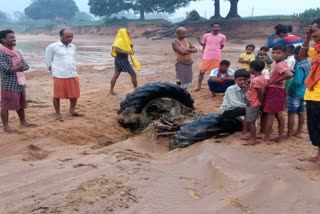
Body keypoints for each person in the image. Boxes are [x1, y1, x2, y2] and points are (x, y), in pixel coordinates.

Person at [0, 30, 36, 132]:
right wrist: (18, 67)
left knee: (21, 104)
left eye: (14, 37)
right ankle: (6, 126)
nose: (14, 39)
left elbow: (26, 66)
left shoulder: (16, 52)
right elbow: (5, 70)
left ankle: (23, 122)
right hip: (8, 84)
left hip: (20, 83)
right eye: (10, 37)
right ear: (3, 39)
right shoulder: (1, 53)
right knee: (5, 106)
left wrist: (16, 68)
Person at [45, 29, 83, 121]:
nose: (70, 39)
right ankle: (58, 113)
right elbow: (48, 61)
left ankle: (72, 111)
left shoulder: (73, 47)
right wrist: (53, 71)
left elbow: (73, 59)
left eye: (71, 37)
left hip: (72, 74)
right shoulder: (52, 47)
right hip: (59, 75)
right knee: (57, 95)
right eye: (67, 37)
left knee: (74, 95)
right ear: (61, 36)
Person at [298, 18, 320, 164]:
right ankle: (318, 156)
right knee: (314, 127)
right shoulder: (317, 49)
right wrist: (306, 39)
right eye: (310, 30)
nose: (312, 32)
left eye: (315, 30)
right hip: (312, 94)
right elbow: (301, 57)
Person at [262, 44, 293, 144]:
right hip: (280, 90)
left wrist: (275, 81)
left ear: (285, 54)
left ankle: (266, 138)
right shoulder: (283, 63)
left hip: (275, 91)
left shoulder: (280, 65)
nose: (275, 55)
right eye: (273, 53)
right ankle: (280, 136)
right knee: (279, 114)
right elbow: (291, 72)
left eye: (278, 53)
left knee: (270, 115)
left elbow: (289, 74)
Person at [287, 46, 310, 138]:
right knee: (301, 112)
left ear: (296, 55)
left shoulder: (300, 66)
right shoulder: (309, 65)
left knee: (291, 113)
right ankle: (299, 131)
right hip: (305, 92)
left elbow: (297, 81)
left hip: (295, 92)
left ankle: (289, 133)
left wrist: (290, 90)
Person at [195, 23, 226, 91]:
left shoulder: (223, 37)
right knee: (202, 71)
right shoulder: (206, 35)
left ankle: (214, 88)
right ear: (211, 28)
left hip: (216, 57)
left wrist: (215, 49)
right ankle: (199, 86)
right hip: (207, 56)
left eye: (218, 27)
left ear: (220, 28)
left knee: (215, 73)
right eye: (214, 27)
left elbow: (221, 46)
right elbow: (204, 45)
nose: (216, 28)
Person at [242, 60, 266, 145]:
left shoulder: (256, 80)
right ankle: (250, 135)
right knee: (249, 118)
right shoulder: (261, 78)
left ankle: (253, 139)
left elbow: (260, 92)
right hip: (251, 101)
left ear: (252, 68)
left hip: (253, 103)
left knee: (251, 121)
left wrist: (261, 101)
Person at [110, 28, 141, 95]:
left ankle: (111, 90)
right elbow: (115, 50)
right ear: (123, 33)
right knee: (133, 74)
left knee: (116, 75)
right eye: (126, 32)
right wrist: (126, 51)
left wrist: (131, 47)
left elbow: (131, 52)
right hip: (122, 60)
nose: (128, 33)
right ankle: (136, 90)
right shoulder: (119, 40)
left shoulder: (125, 40)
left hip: (119, 60)